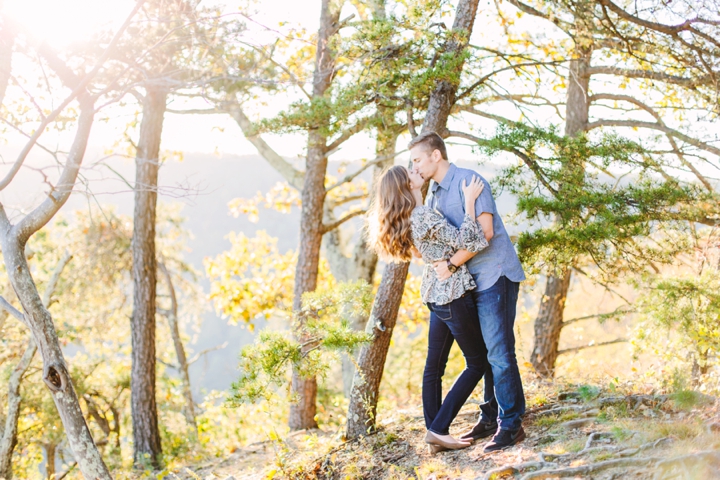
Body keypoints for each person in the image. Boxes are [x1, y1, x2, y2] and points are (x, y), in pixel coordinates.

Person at [410, 131, 527, 452]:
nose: (415, 166)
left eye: (417, 159)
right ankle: (490, 416)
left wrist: (449, 263)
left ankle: (511, 424)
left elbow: (485, 232)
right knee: (485, 354)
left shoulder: (469, 181)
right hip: (466, 284)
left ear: (436, 155)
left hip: (493, 275)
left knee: (499, 353)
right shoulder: (432, 194)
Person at [368, 165, 489, 453]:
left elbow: (431, 248)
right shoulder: (421, 215)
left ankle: (435, 433)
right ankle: (438, 428)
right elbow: (470, 240)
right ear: (406, 184)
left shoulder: (417, 213)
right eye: (410, 170)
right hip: (451, 295)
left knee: (434, 367)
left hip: (436, 294)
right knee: (478, 362)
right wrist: (470, 202)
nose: (416, 169)